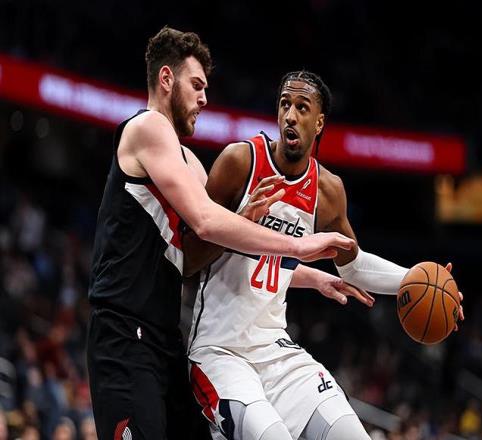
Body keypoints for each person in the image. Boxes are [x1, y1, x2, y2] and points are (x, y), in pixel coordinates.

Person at [86, 28, 355, 440]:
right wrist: (299, 245)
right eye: (196, 85)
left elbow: (224, 247)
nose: (204, 98)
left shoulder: (189, 163)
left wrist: (307, 276)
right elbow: (207, 222)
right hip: (124, 333)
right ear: (166, 79)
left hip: (163, 337)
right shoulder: (148, 127)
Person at [183, 70, 464, 440]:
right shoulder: (240, 162)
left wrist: (419, 282)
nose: (290, 115)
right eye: (285, 104)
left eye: (302, 107)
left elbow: (353, 265)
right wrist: (240, 221)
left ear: (319, 123)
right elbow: (187, 260)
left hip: (274, 347)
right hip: (220, 351)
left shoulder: (327, 191)